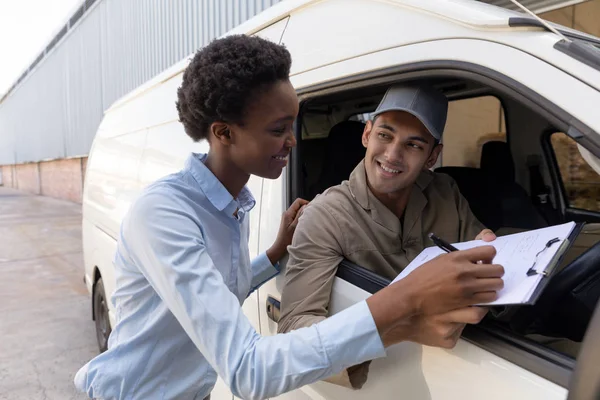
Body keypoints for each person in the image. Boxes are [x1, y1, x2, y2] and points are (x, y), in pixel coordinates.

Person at [73, 35, 504, 400]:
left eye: (293, 125)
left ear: (432, 155)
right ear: (224, 133)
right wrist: (404, 305)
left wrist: (274, 256)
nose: (294, 142)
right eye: (278, 129)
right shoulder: (165, 214)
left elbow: (222, 293)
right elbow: (248, 371)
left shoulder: (230, 205)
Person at [278, 84, 498, 389]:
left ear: (433, 156)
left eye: (413, 145)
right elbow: (293, 336)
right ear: (367, 135)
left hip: (472, 370)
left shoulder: (445, 191)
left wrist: (493, 250)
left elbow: (479, 250)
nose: (392, 155)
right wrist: (402, 327)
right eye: (385, 135)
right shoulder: (325, 215)